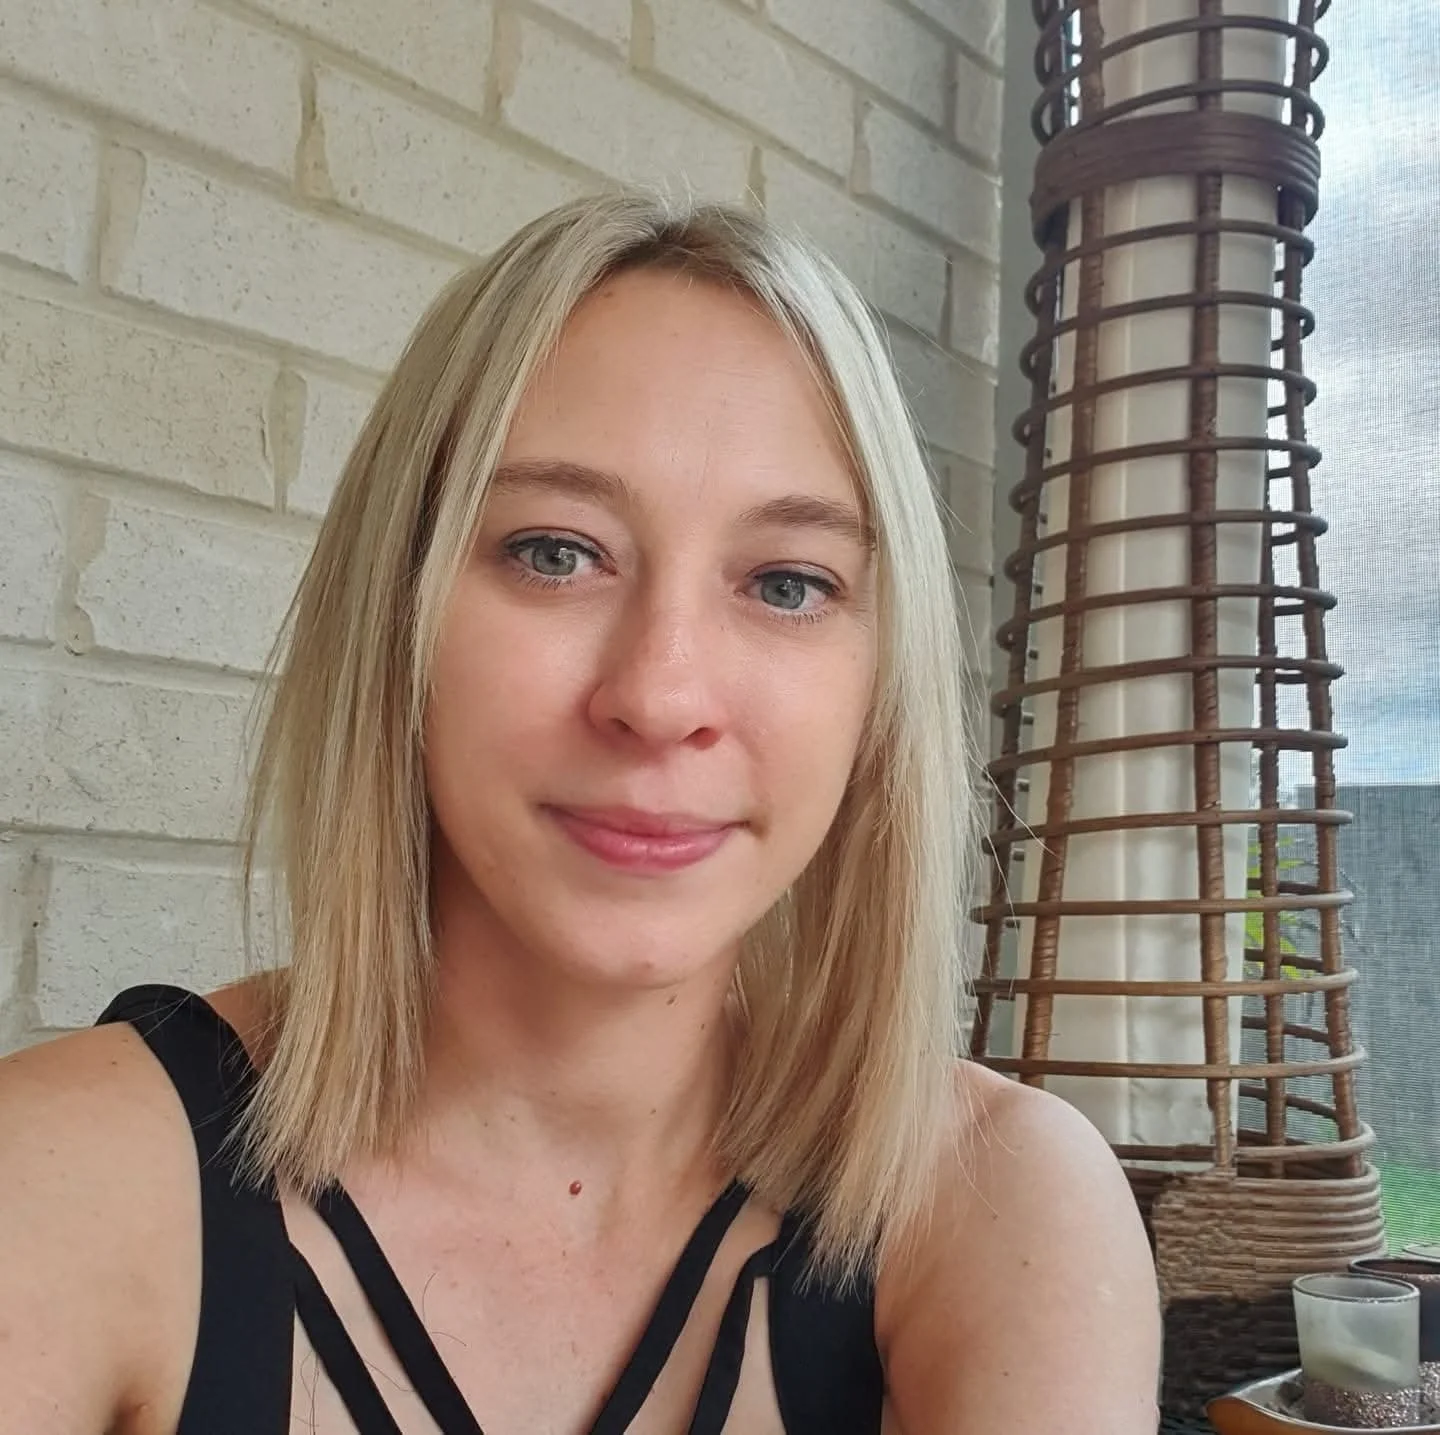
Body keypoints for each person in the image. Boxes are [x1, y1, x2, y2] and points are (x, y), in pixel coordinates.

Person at [0, 192, 1159, 1434]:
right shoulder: (61, 1181)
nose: (660, 697)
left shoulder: (1000, 1206)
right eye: (556, 551)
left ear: (882, 684)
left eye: (787, 582)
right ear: (398, 611)